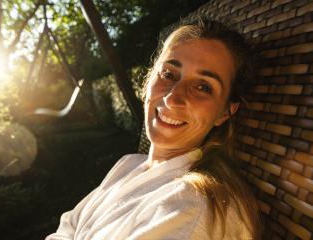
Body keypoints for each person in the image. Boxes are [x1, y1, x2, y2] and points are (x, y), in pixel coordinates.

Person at [46, 16, 261, 240]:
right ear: (148, 82)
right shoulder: (129, 164)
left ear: (226, 111)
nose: (172, 98)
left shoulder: (194, 208)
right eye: (168, 74)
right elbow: (69, 225)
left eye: (202, 87)